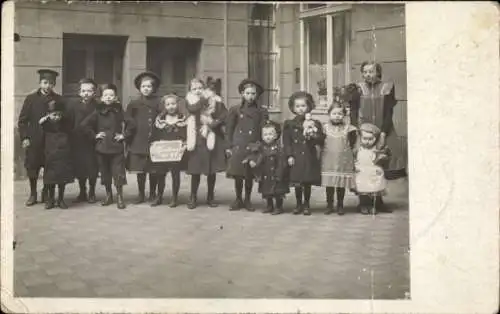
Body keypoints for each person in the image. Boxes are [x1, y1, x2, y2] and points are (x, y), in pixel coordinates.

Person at [350, 61, 406, 181]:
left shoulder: (387, 87)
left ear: (378, 73)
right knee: (363, 162)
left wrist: (383, 133)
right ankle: (364, 196)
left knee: (381, 163)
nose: (367, 74)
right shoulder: (358, 88)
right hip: (363, 131)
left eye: (371, 71)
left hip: (382, 128)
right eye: (365, 72)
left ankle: (378, 195)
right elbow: (353, 112)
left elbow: (388, 112)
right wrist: (356, 130)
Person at [18, 69, 63, 206]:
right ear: (40, 83)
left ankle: (46, 191)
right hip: (34, 139)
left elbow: (63, 119)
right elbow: (22, 121)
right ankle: (33, 193)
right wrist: (25, 137)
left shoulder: (58, 99)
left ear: (54, 84)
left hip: (51, 140)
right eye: (45, 82)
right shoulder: (31, 99)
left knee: (50, 167)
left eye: (51, 83)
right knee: (33, 167)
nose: (47, 86)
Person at [81, 84, 128, 210]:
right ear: (101, 98)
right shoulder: (97, 112)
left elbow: (132, 124)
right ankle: (108, 195)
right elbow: (85, 125)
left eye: (111, 95)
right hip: (102, 148)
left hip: (116, 148)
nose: (108, 97)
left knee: (118, 173)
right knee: (105, 173)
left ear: (115, 97)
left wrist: (124, 135)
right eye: (106, 95)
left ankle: (120, 197)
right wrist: (95, 135)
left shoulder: (119, 111)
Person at [225, 79, 269, 211]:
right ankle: (238, 199)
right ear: (242, 94)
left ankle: (248, 199)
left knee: (249, 174)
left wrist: (260, 145)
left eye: (253, 93)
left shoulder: (261, 111)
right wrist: (229, 146)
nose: (250, 96)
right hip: (238, 145)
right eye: (248, 93)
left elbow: (263, 129)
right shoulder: (235, 110)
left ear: (257, 95)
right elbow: (229, 129)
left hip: (252, 145)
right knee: (238, 174)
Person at [184, 77, 228, 209]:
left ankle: (210, 196)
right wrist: (203, 98)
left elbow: (224, 114)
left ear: (204, 88)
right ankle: (193, 196)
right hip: (196, 137)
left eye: (200, 88)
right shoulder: (190, 100)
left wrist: (213, 124)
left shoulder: (215, 99)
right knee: (195, 170)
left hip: (210, 134)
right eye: (194, 89)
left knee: (211, 170)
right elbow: (193, 109)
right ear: (190, 90)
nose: (197, 91)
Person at [283, 91, 325, 216]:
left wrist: (314, 135)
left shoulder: (315, 123)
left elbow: (321, 139)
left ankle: (306, 204)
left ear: (308, 106)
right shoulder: (290, 124)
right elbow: (287, 141)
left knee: (307, 181)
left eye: (303, 106)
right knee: (297, 182)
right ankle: (298, 204)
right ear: (293, 108)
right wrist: (289, 155)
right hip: (296, 156)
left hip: (308, 155)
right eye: (297, 106)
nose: (300, 109)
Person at [125, 71, 162, 204]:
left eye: (149, 86)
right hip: (138, 139)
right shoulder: (134, 103)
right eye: (143, 86)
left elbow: (163, 117)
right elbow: (128, 118)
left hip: (155, 139)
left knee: (153, 169)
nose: (146, 89)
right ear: (139, 88)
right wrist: (130, 128)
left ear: (153, 88)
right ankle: (141, 194)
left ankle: (153, 193)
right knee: (140, 169)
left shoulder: (159, 102)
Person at [149, 94, 188, 207]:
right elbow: (155, 134)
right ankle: (159, 196)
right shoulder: (160, 119)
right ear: (164, 106)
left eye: (173, 104)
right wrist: (154, 144)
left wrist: (184, 144)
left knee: (175, 175)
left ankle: (174, 198)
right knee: (160, 175)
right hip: (163, 152)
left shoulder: (182, 119)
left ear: (177, 105)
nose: (171, 106)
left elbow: (185, 134)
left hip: (175, 152)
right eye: (168, 104)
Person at [243, 120, 289, 215]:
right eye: (265, 135)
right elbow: (256, 156)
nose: (268, 137)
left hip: (275, 173)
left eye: (270, 134)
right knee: (267, 190)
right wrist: (251, 160)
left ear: (276, 136)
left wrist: (279, 173)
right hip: (266, 173)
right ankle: (269, 205)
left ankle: (279, 207)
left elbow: (281, 162)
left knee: (277, 191)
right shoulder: (261, 148)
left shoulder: (278, 148)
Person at [320, 101, 357, 215]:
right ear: (329, 114)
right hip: (329, 159)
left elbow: (353, 143)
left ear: (344, 115)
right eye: (334, 113)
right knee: (330, 184)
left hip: (343, 159)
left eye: (340, 114)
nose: (337, 116)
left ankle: (340, 205)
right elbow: (320, 142)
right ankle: (329, 205)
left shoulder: (349, 128)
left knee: (341, 184)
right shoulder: (324, 128)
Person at [38, 95, 74, 209]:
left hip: (63, 156)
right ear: (48, 115)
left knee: (62, 180)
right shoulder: (46, 126)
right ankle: (50, 199)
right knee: (50, 180)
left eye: (59, 114)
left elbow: (70, 136)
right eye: (54, 115)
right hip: (50, 156)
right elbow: (40, 139)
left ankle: (61, 199)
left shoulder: (65, 125)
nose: (56, 117)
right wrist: (42, 122)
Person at [67, 78, 100, 204]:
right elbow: (69, 122)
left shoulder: (98, 106)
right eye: (83, 91)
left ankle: (92, 191)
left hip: (93, 141)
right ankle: (82, 191)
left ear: (94, 92)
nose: (86, 93)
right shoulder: (73, 105)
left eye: (89, 91)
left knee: (92, 167)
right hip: (78, 141)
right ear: (79, 92)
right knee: (80, 167)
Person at [354, 123, 391, 215]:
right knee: (363, 189)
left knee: (375, 188)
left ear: (376, 138)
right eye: (365, 139)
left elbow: (386, 158)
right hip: (362, 172)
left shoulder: (378, 149)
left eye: (370, 139)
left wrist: (382, 158)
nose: (367, 141)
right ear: (360, 138)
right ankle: (364, 205)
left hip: (374, 172)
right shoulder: (358, 149)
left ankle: (376, 205)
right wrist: (354, 167)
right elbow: (352, 159)